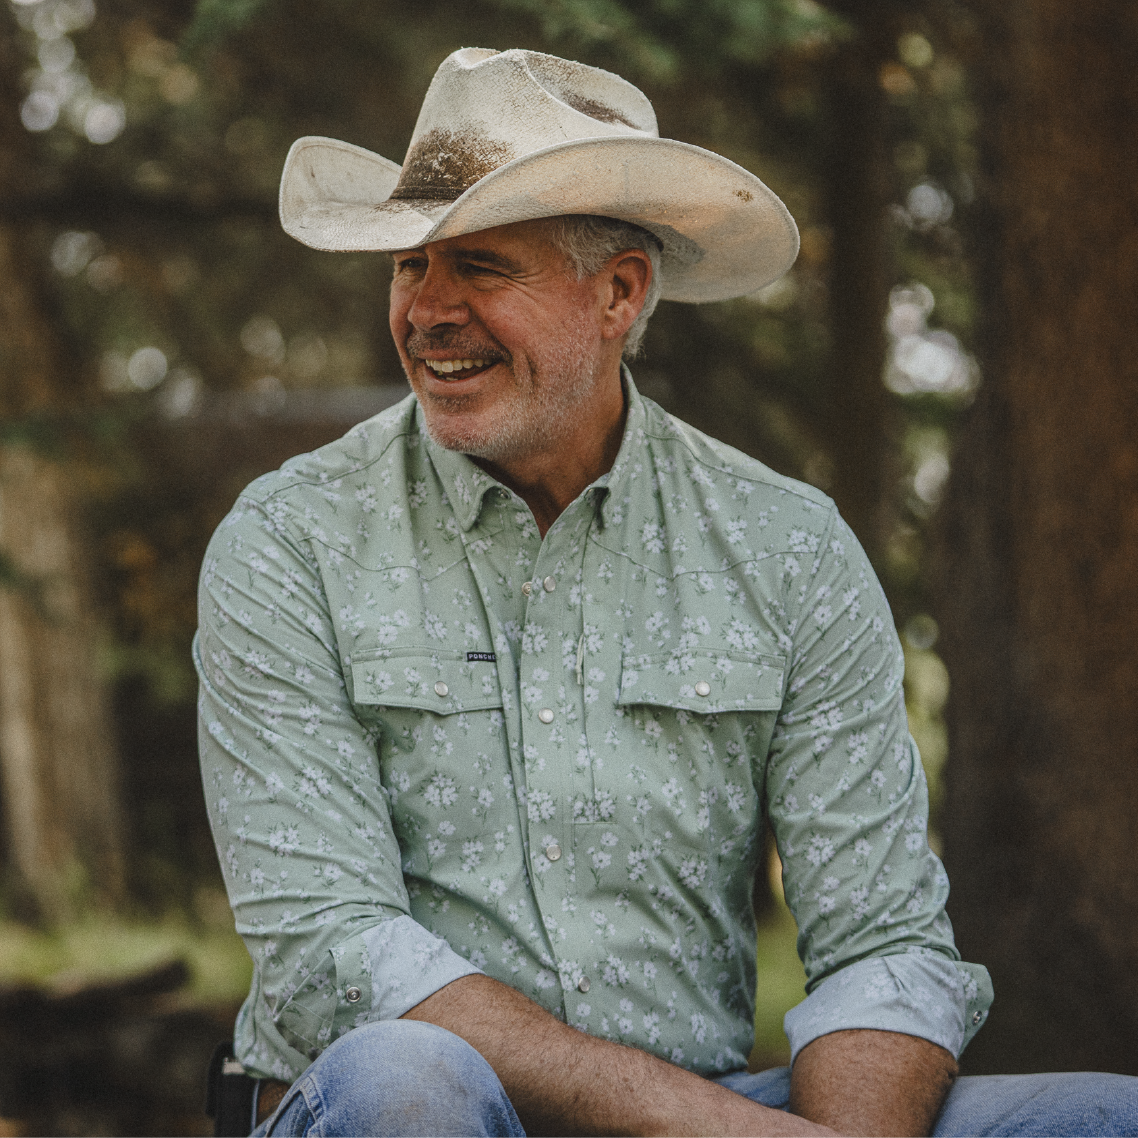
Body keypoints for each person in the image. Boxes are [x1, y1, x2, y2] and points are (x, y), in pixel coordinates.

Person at [196, 47, 1137, 1138]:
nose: (427, 309)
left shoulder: (784, 546)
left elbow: (881, 944)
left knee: (1104, 1117)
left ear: (619, 292)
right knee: (406, 1077)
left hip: (716, 1109)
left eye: (481, 266)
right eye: (409, 265)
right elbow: (335, 952)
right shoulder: (290, 539)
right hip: (437, 1108)